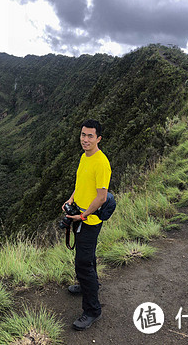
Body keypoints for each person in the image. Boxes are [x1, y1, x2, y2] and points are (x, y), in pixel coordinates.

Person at [62, 119, 111, 331]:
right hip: (80, 215)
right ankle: (87, 286)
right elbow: (80, 184)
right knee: (88, 257)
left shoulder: (101, 163)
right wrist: (71, 201)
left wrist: (82, 216)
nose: (85, 139)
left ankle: (92, 310)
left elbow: (101, 197)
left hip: (89, 221)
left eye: (90, 136)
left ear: (98, 138)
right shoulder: (85, 157)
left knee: (83, 263)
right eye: (83, 135)